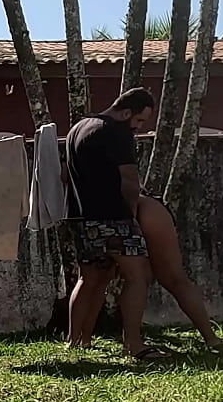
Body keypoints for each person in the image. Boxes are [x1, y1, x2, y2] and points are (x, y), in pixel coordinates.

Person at [63, 87, 170, 360]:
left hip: (83, 218)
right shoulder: (118, 131)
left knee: (89, 279)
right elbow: (130, 180)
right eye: (139, 120)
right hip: (114, 216)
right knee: (137, 276)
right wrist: (133, 213)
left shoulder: (78, 128)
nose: (138, 127)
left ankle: (76, 341)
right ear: (126, 112)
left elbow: (66, 175)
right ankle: (133, 345)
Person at [135, 191, 223, 349]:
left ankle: (130, 341)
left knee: (134, 280)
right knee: (173, 280)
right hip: (144, 207)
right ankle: (210, 337)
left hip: (122, 211)